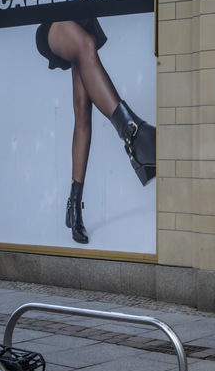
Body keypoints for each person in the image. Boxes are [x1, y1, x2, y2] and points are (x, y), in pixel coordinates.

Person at [36, 18, 156, 244]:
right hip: (53, 23)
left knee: (82, 113)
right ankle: (133, 134)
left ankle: (74, 206)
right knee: (86, 43)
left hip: (82, 21)